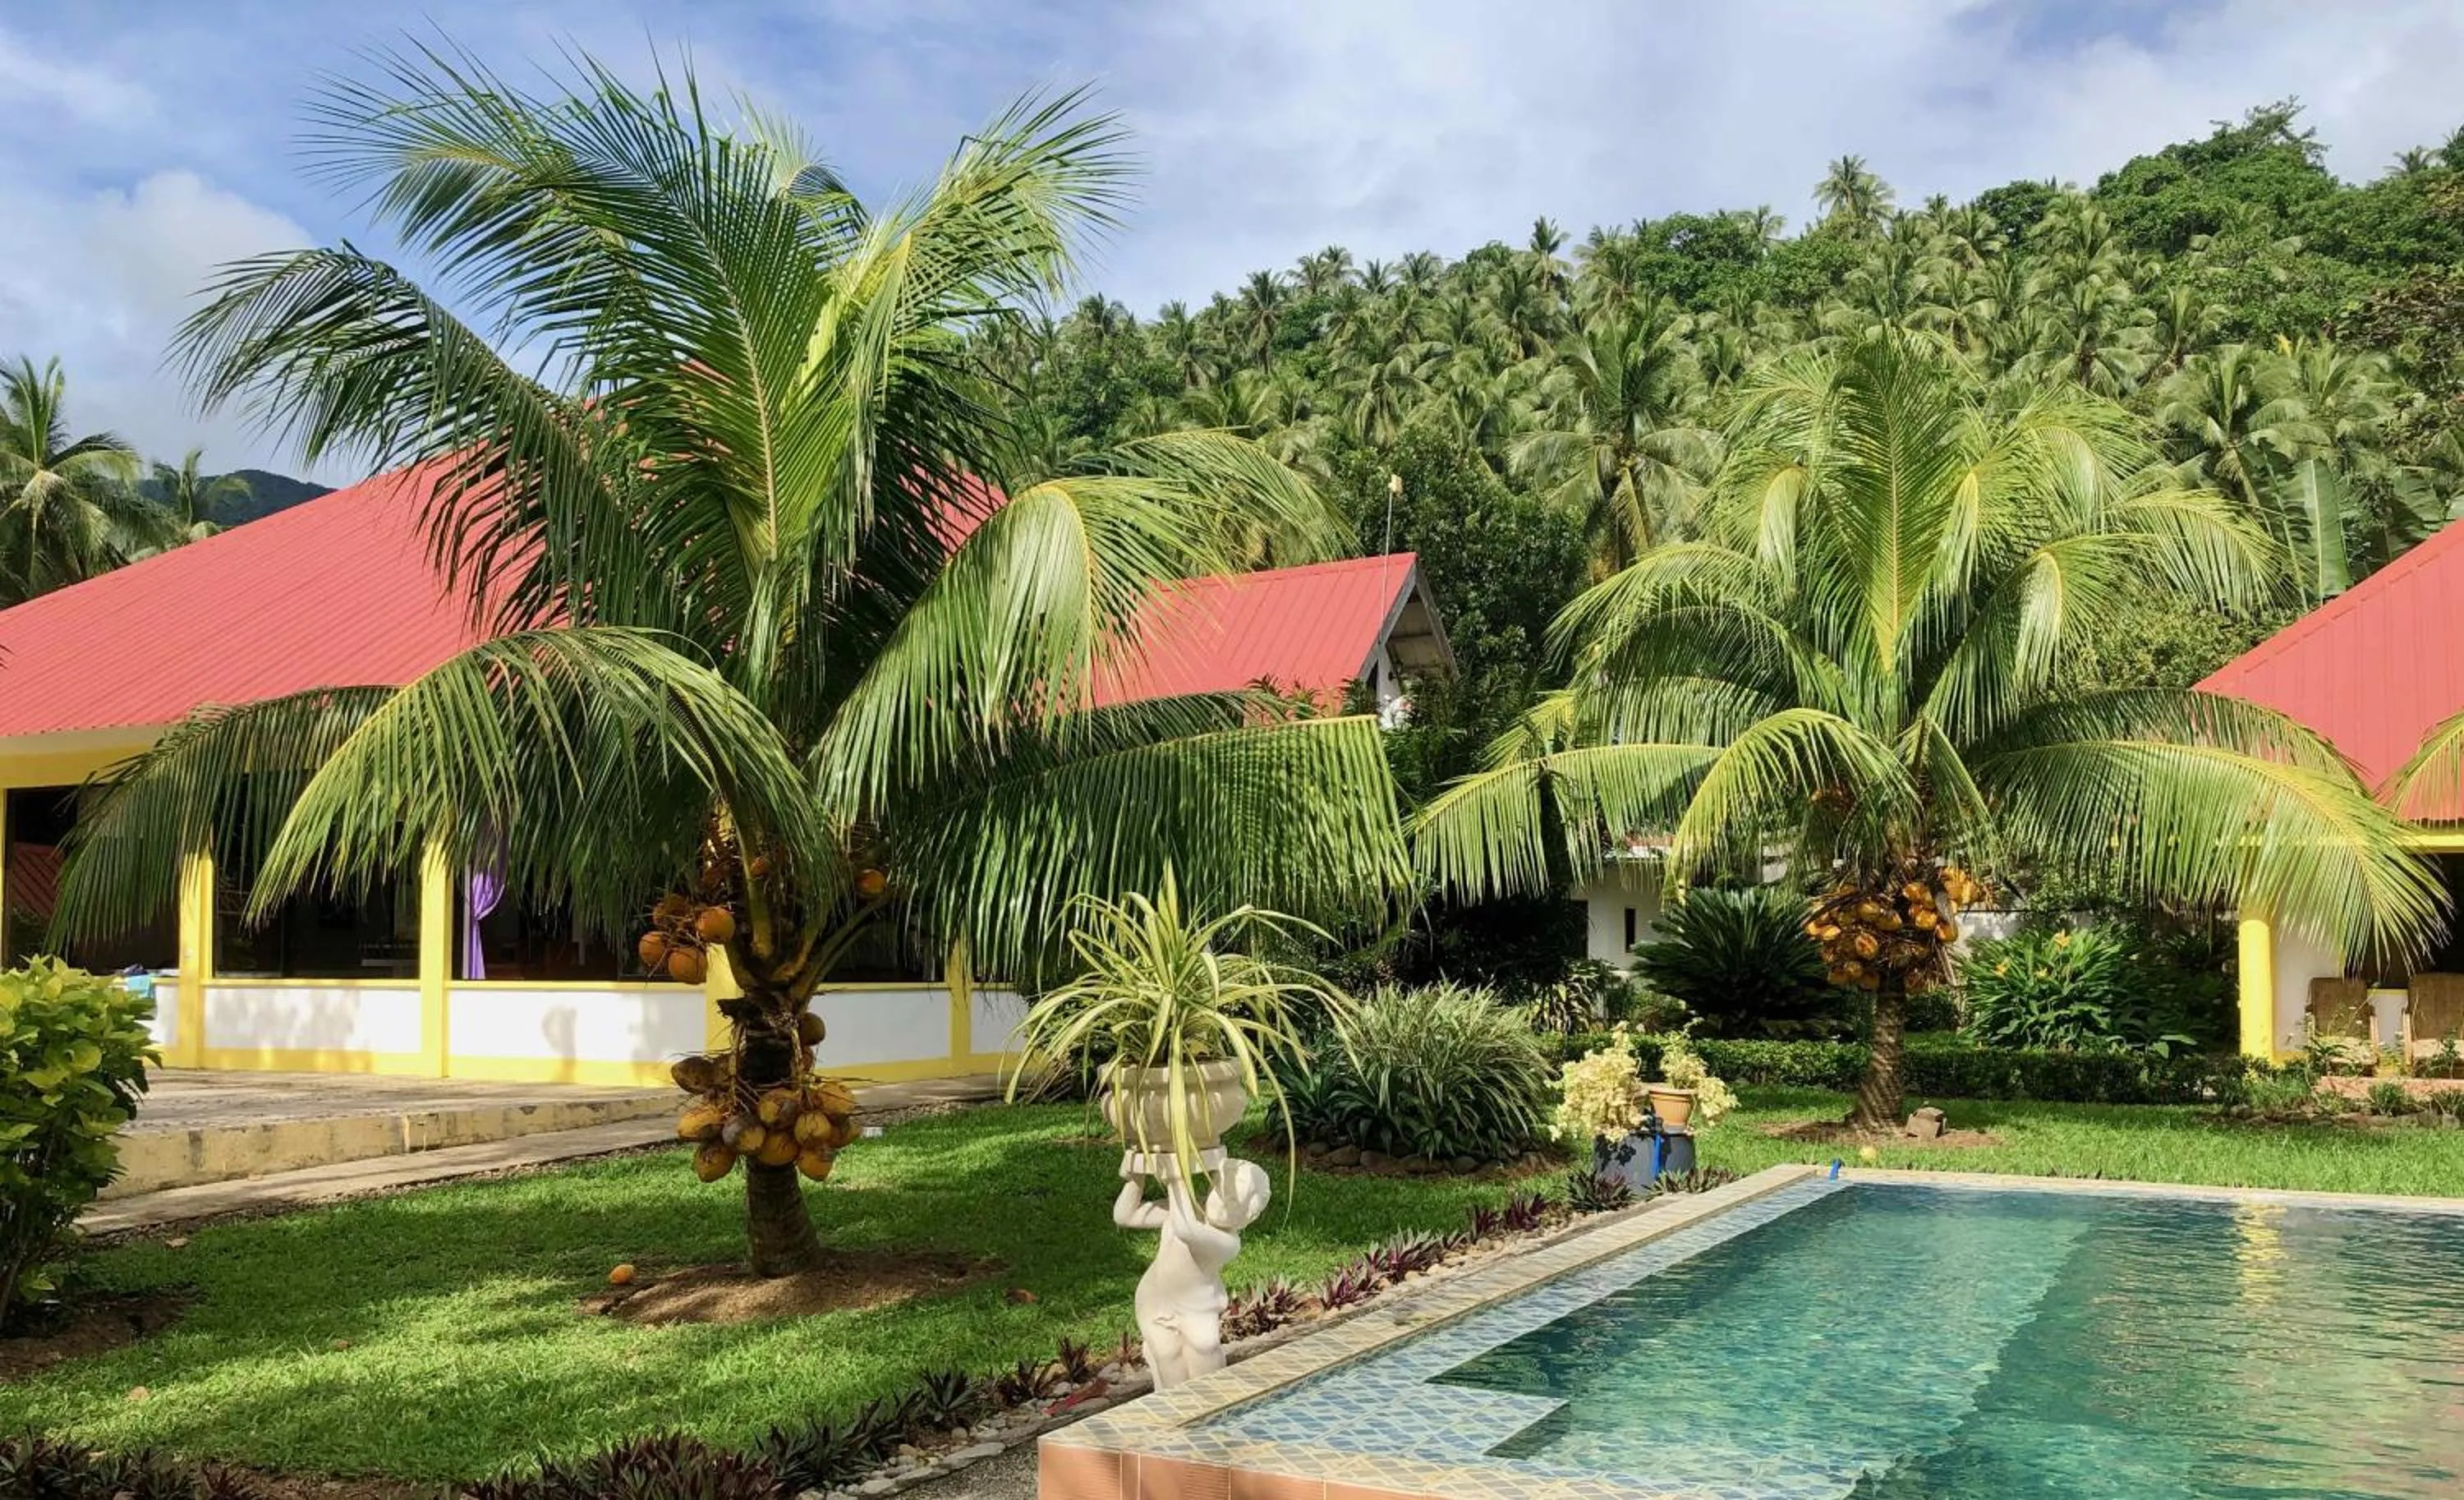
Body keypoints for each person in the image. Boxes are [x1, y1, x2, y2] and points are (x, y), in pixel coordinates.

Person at [1112, 1152, 1271, 1387]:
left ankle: (1211, 1408)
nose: (1222, 1200)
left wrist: (1176, 1177)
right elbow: (1125, 1216)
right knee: (1167, 1356)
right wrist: (1136, 1179)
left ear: (1249, 1216)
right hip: (1156, 1299)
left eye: (1234, 1201)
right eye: (1221, 1189)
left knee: (1205, 1349)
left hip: (1197, 1307)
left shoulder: (1228, 1242)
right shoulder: (1191, 1210)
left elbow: (1187, 1231)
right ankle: (1175, 1410)